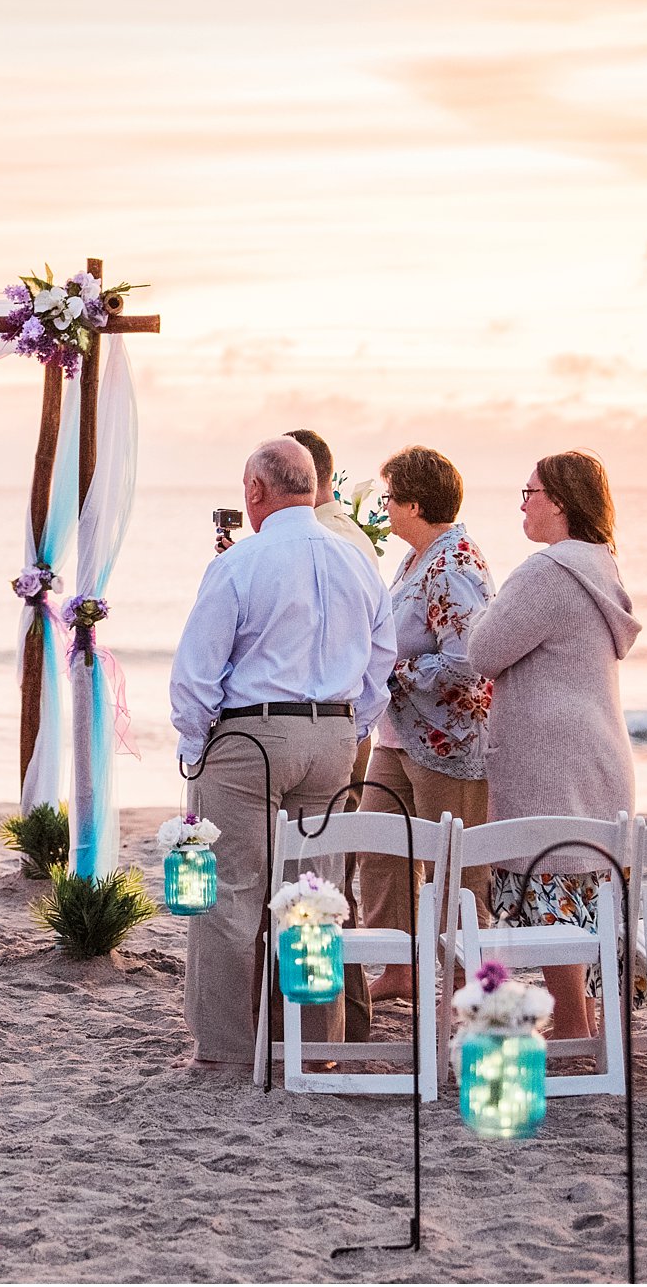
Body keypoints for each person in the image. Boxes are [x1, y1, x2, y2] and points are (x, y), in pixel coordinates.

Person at [169, 437, 394, 1069]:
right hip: (330, 740)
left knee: (231, 894)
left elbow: (196, 672)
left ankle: (227, 1049)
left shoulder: (242, 562)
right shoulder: (356, 560)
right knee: (312, 892)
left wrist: (196, 745)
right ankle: (314, 1042)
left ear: (256, 492)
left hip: (251, 739)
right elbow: (384, 657)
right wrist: (352, 726)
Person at [466, 451, 639, 1041]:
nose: (522, 501)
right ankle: (583, 1023)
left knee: (550, 882)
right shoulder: (600, 565)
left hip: (549, 758)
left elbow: (483, 651)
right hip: (596, 748)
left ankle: (571, 1025)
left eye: (530, 490)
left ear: (560, 501)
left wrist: (481, 611)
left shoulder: (546, 573)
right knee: (577, 883)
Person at [356, 446, 496, 1001]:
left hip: (450, 740)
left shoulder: (454, 561)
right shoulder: (415, 558)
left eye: (390, 497)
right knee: (378, 843)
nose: (385, 508)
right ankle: (400, 966)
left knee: (455, 866)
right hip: (399, 734)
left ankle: (468, 979)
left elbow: (469, 660)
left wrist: (398, 670)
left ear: (414, 503)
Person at [283, 428, 384, 1039]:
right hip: (344, 724)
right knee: (327, 874)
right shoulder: (351, 538)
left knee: (318, 877)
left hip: (326, 727)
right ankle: (342, 1018)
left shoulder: (329, 540)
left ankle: (337, 1020)